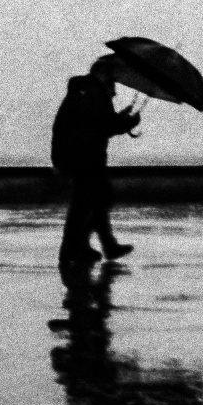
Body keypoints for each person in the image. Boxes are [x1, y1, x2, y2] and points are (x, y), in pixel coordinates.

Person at [52, 55, 141, 264]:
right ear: (101, 74)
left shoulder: (84, 91)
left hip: (76, 155)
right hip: (86, 157)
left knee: (95, 200)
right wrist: (129, 122)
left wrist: (120, 117)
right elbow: (107, 126)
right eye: (110, 77)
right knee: (89, 203)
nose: (113, 82)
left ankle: (94, 247)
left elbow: (96, 122)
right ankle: (72, 250)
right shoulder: (95, 93)